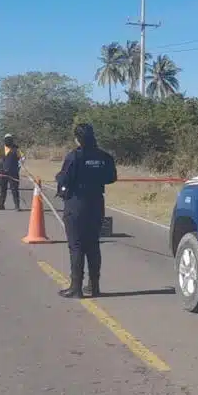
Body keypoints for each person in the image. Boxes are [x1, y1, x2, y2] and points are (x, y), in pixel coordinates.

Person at [54, 123, 117, 298]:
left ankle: (76, 287)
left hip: (76, 204)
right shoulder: (104, 156)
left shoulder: (74, 156)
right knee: (93, 246)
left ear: (77, 138)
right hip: (96, 203)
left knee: (76, 246)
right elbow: (112, 177)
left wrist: (59, 178)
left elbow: (64, 179)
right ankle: (94, 286)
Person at [0, 133, 22, 210]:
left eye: (10, 139)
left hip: (13, 173)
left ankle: (17, 206)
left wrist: (18, 167)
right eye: (7, 139)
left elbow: (22, 158)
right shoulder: (1, 148)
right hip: (2, 172)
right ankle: (1, 204)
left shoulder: (16, 149)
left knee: (14, 189)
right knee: (2, 189)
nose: (8, 141)